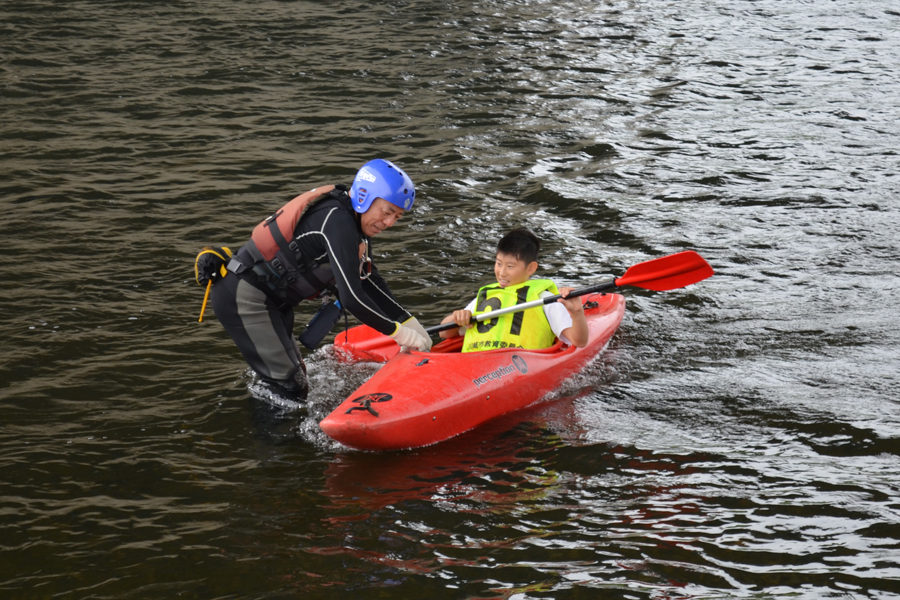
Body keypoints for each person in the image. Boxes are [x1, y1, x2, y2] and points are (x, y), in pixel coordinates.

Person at [209, 159, 432, 399]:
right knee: (288, 386)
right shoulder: (336, 220)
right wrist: (399, 333)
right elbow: (351, 298)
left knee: (296, 377)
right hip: (243, 297)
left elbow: (368, 280)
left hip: (274, 301)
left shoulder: (355, 225)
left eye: (397, 217)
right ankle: (272, 435)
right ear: (364, 197)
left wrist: (408, 321)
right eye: (387, 212)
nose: (389, 223)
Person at [439, 228, 588, 352]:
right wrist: (456, 318)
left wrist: (577, 313)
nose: (502, 272)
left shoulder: (545, 299)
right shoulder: (484, 297)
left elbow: (579, 341)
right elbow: (444, 333)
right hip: (474, 364)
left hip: (517, 367)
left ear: (531, 268)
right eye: (498, 264)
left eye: (510, 266)